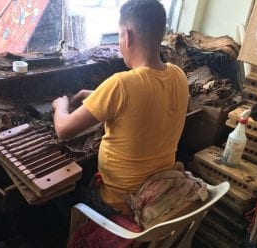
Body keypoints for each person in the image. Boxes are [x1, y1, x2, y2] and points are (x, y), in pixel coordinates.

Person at [52, 0, 189, 215]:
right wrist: (98, 96)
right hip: (157, 185)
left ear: (127, 35)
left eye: (118, 37)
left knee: (63, 198)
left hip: (120, 200)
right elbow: (143, 104)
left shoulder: (121, 84)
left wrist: (60, 105)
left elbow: (63, 130)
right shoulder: (178, 75)